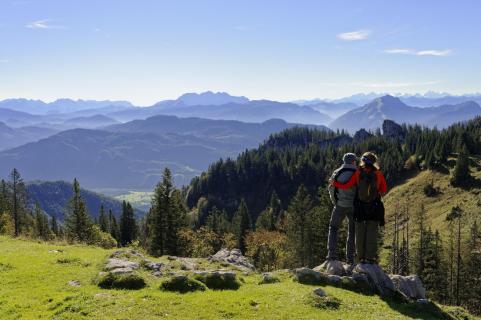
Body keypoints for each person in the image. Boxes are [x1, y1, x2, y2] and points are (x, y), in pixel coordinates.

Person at [331, 152, 387, 264]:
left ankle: (360, 258)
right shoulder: (378, 174)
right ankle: (370, 258)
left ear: (363, 161)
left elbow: (347, 185)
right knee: (372, 231)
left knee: (359, 232)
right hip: (374, 207)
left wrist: (334, 184)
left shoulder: (358, 173)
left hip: (359, 207)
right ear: (374, 162)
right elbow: (383, 190)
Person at [326, 152, 358, 265]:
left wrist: (336, 203)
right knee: (352, 231)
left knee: (333, 228)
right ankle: (350, 259)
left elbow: (331, 189)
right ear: (354, 161)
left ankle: (331, 255)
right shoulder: (357, 172)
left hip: (340, 205)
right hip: (354, 206)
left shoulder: (337, 172)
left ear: (344, 161)